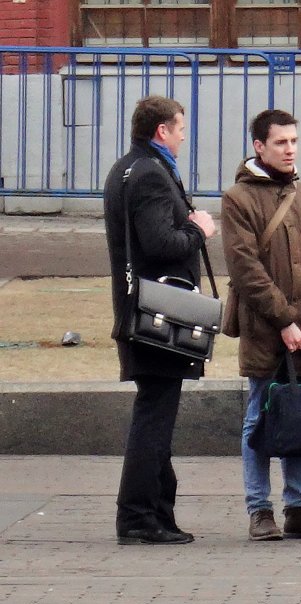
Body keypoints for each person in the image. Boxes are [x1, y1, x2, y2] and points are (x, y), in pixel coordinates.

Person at [221, 109, 301, 541]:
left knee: (300, 414)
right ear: (259, 146)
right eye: (280, 142)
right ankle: (260, 509)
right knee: (259, 418)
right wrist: (286, 321)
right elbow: (245, 267)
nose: (290, 149)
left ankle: (298, 507)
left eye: (294, 141)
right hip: (265, 330)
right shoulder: (237, 198)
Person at [104, 95, 217, 545]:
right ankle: (136, 517)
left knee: (156, 415)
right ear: (161, 131)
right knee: (154, 418)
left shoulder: (126, 168)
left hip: (141, 312)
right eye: (180, 128)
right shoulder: (150, 173)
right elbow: (160, 244)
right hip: (158, 317)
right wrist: (198, 229)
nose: (184, 135)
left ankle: (158, 512)